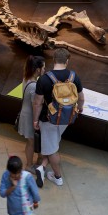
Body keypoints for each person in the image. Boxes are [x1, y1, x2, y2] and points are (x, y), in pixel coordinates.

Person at [33, 48, 84, 188]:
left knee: (52, 149)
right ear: (67, 61)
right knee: (53, 144)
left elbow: (37, 103)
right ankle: (42, 168)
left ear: (53, 60)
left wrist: (35, 120)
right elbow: (81, 98)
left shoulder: (44, 79)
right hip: (66, 119)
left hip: (49, 119)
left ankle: (58, 177)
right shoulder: (74, 77)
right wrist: (79, 109)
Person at [17, 55, 46, 173]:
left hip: (25, 113)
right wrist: (36, 121)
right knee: (31, 142)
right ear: (38, 70)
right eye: (43, 67)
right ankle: (29, 165)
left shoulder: (26, 77)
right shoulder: (34, 86)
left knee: (31, 140)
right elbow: (36, 105)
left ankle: (38, 160)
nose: (45, 70)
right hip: (30, 117)